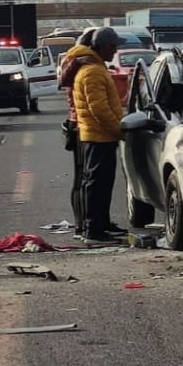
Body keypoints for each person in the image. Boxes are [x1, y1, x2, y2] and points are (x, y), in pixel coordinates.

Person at [70, 27, 127, 243]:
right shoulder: (93, 71)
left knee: (102, 183)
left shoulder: (95, 67)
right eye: (113, 47)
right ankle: (94, 230)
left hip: (99, 136)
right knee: (96, 184)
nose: (115, 51)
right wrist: (118, 130)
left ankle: (101, 224)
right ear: (102, 47)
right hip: (98, 136)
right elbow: (99, 109)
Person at [58, 28, 97, 237]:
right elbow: (63, 81)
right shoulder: (78, 60)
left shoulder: (75, 58)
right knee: (83, 177)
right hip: (79, 123)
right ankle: (82, 224)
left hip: (77, 121)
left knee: (84, 176)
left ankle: (86, 223)